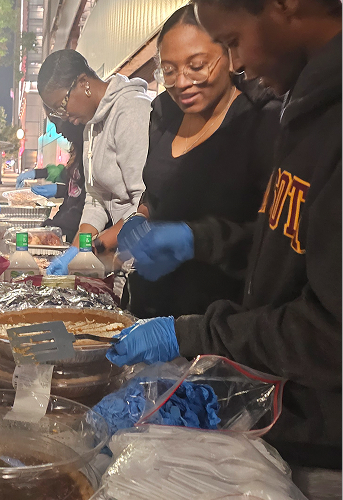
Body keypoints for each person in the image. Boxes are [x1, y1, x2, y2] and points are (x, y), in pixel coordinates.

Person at [111, 0, 342, 487]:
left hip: (324, 436)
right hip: (275, 401)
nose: (237, 65)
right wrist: (200, 239)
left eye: (231, 43)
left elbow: (328, 332)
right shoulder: (308, 108)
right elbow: (284, 241)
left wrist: (195, 335)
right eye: (169, 70)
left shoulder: (285, 117)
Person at [118, 4, 281, 319]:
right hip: (148, 306)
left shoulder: (261, 120)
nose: (181, 82)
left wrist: (196, 239)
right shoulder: (163, 113)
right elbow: (154, 193)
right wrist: (138, 220)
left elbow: (273, 240)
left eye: (197, 66)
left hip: (216, 321)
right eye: (168, 70)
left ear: (230, 54)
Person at [37, 49, 152, 276]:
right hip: (118, 259)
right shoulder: (91, 124)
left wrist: (96, 246)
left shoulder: (130, 111)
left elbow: (146, 204)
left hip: (143, 258)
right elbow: (95, 198)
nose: (62, 116)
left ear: (83, 83)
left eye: (61, 106)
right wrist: (74, 250)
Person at [16, 111, 87, 241]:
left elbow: (84, 204)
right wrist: (39, 174)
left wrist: (53, 225)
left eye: (58, 123)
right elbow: (65, 176)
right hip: (71, 232)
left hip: (83, 235)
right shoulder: (77, 151)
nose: (58, 131)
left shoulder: (89, 153)